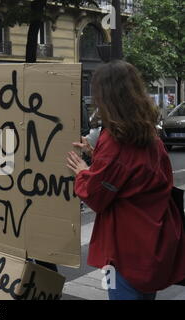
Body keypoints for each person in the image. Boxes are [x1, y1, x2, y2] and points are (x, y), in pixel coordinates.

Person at [66, 60, 185, 300]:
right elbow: (129, 173)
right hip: (152, 240)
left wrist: (81, 171)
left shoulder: (115, 140)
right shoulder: (147, 132)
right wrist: (94, 154)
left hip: (125, 247)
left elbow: (96, 194)